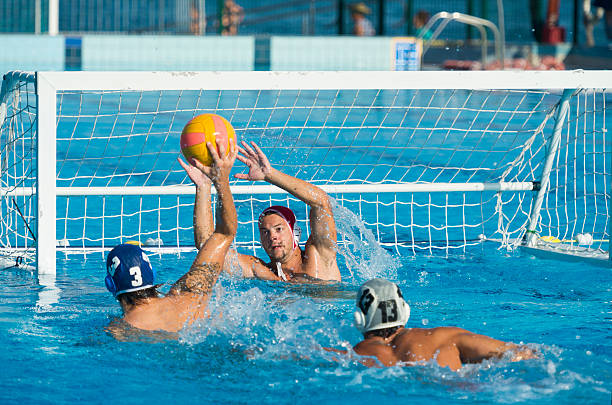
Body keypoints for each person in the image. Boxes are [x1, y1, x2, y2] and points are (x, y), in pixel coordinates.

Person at [104, 139, 237, 333]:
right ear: (152, 274)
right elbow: (225, 233)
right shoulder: (190, 292)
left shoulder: (120, 329)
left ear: (110, 284)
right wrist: (219, 182)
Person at [196, 140, 340, 283]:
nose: (272, 237)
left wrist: (269, 174)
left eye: (278, 229)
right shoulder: (260, 270)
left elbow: (321, 202)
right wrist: (204, 185)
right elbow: (206, 246)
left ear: (295, 233)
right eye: (265, 232)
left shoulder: (319, 256)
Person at [334, 279, 537, 370]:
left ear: (358, 319)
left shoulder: (350, 355)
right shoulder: (445, 337)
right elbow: (521, 354)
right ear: (405, 311)